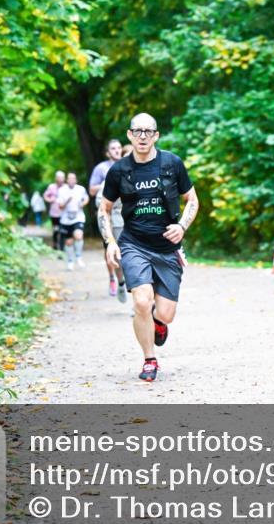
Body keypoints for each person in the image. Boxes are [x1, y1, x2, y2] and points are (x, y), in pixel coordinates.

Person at [100, 113, 199, 382]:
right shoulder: (119, 170)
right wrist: (111, 241)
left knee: (166, 314)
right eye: (137, 131)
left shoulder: (172, 164)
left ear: (156, 135)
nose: (142, 136)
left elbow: (192, 200)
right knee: (142, 301)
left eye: (148, 131)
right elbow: (105, 208)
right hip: (134, 244)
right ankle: (149, 359)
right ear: (130, 136)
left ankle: (158, 323)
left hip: (167, 247)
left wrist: (182, 227)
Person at [89, 139, 124, 297]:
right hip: (107, 215)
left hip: (124, 214)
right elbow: (91, 190)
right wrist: (107, 184)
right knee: (111, 250)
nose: (116, 150)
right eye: (113, 148)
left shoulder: (127, 164)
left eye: (118, 148)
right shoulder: (101, 168)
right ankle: (114, 278)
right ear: (107, 152)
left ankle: (127, 283)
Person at [57, 172, 89, 271]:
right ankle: (70, 261)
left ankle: (78, 257)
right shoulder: (62, 190)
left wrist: (83, 204)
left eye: (73, 179)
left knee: (78, 235)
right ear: (67, 180)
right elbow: (60, 206)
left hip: (78, 218)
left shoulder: (81, 189)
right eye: (69, 179)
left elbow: (86, 198)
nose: (71, 180)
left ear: (75, 180)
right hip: (65, 220)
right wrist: (67, 201)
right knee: (69, 242)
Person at [43, 171, 66, 250]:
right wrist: (50, 200)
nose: (61, 179)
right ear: (56, 178)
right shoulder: (51, 187)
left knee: (63, 230)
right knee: (56, 230)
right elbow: (45, 196)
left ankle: (62, 246)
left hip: (64, 213)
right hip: (54, 213)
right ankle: (55, 244)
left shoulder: (65, 187)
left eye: (62, 177)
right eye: (59, 177)